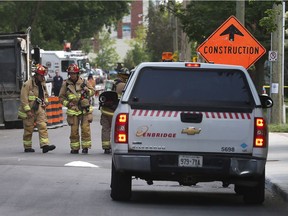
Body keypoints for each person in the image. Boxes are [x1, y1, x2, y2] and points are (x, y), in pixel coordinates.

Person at [18, 64, 56, 153]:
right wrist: (27, 110)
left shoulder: (42, 84)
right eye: (41, 75)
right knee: (28, 129)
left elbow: (45, 94)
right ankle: (27, 147)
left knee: (43, 126)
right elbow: (23, 98)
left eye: (43, 75)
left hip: (40, 109)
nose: (42, 77)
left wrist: (46, 101)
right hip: (30, 110)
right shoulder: (27, 84)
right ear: (36, 75)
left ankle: (45, 146)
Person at [59, 63, 95, 154]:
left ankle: (85, 147)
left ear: (77, 73)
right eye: (70, 73)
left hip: (84, 109)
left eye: (74, 73)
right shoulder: (66, 84)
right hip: (73, 110)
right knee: (74, 131)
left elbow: (93, 91)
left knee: (85, 129)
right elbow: (61, 97)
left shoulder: (84, 82)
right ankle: (75, 148)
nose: (72, 75)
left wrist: (88, 91)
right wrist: (68, 104)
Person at [100, 70, 129, 154]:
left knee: (106, 128)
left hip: (105, 110)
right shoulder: (124, 85)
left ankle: (106, 147)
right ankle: (116, 146)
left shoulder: (111, 84)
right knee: (117, 129)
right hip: (115, 112)